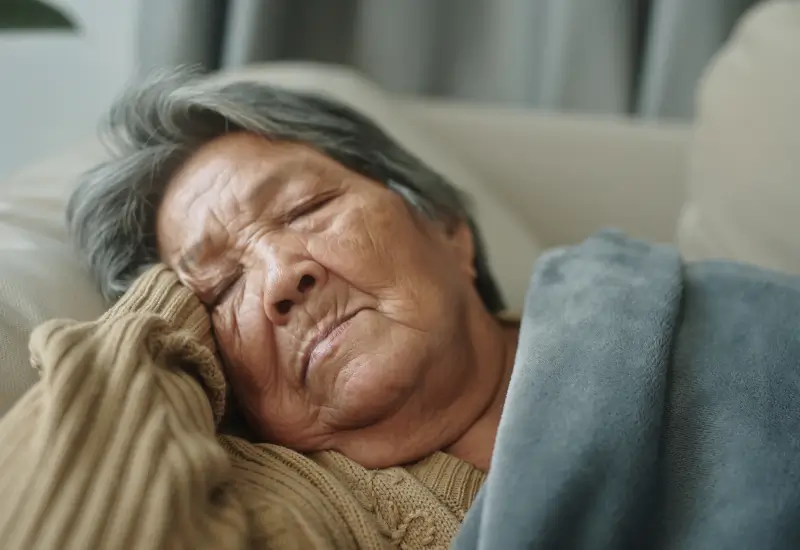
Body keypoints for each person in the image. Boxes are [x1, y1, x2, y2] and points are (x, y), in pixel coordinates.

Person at [1, 69, 799, 550]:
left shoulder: (710, 320)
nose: (281, 276)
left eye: (307, 207)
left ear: (449, 229)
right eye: (218, 291)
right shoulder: (288, 503)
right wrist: (157, 320)